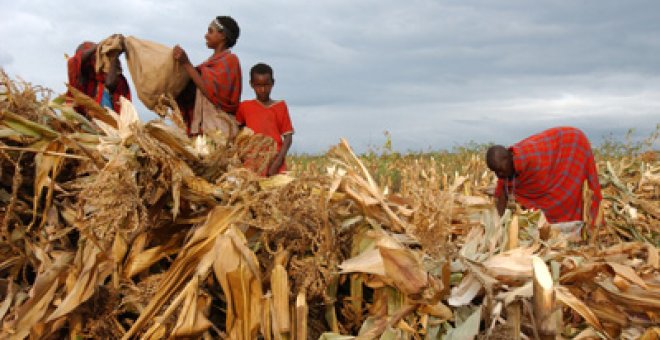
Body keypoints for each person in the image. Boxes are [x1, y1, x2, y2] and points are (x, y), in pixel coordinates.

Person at [486, 127, 602, 231]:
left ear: (509, 157)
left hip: (573, 145)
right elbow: (501, 192)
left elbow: (542, 191)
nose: (498, 174)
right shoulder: (506, 169)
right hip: (561, 143)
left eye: (500, 170)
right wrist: (497, 226)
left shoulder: (532, 160)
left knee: (567, 194)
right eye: (495, 171)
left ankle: (582, 225)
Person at [174, 16, 242, 137]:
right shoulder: (208, 63)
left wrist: (186, 64)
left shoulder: (230, 61)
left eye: (210, 31)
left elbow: (210, 92)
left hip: (219, 130)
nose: (206, 35)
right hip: (201, 129)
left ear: (222, 36)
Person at [236, 63, 294, 176]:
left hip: (275, 162)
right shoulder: (244, 107)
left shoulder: (280, 106)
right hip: (252, 164)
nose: (262, 90)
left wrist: (277, 162)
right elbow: (238, 133)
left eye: (266, 85)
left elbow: (288, 137)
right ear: (251, 84)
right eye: (258, 85)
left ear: (273, 83)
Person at [67, 35, 131, 115]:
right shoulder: (78, 74)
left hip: (106, 120)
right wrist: (98, 46)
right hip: (82, 120)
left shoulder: (101, 76)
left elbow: (110, 83)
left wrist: (115, 54)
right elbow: (75, 61)